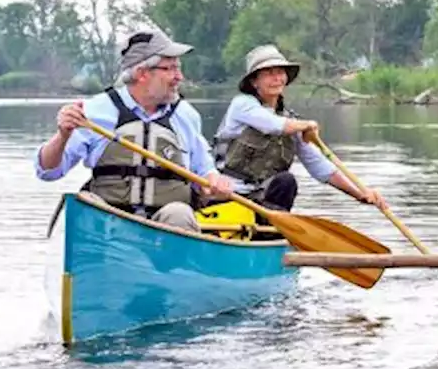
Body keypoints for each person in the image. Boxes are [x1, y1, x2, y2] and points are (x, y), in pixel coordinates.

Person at [35, 28, 233, 231]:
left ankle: (174, 262)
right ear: (142, 73)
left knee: (180, 214)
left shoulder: (185, 115)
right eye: (170, 68)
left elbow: (205, 171)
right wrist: (63, 136)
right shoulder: (94, 111)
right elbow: (48, 172)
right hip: (110, 224)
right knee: (87, 203)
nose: (179, 77)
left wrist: (215, 183)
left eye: (178, 68)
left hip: (165, 227)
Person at [211, 44, 383, 212]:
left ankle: (271, 231)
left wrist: (359, 194)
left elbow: (320, 166)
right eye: (269, 74)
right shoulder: (242, 105)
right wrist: (308, 124)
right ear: (255, 81)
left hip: (263, 200)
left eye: (280, 72)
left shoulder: (292, 123)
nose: (277, 79)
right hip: (228, 194)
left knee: (286, 182)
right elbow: (273, 125)